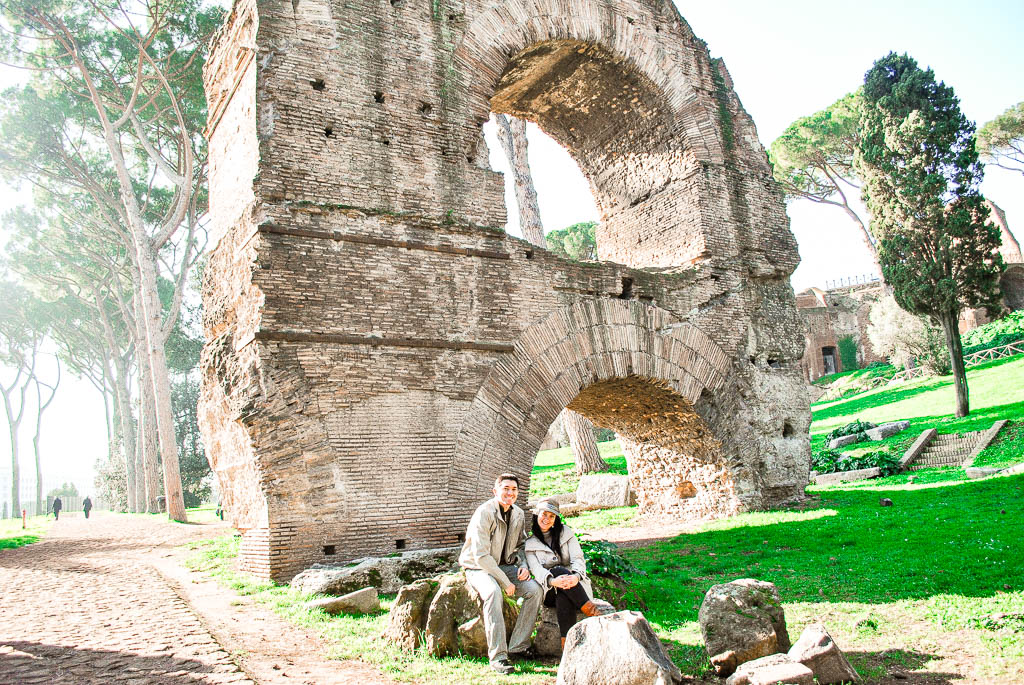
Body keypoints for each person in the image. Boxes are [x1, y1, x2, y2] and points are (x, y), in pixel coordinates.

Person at [459, 473, 543, 675]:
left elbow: (521, 545)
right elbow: (480, 556)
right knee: (493, 592)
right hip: (478, 567)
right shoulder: (484, 513)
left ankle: (518, 646)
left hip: (504, 565)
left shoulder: (518, 514)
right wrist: (505, 582)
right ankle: (498, 657)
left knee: (535, 590)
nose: (510, 493)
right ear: (495, 491)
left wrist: (524, 565)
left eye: (514, 490)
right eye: (506, 489)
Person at [525, 499, 611, 651]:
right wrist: (553, 581)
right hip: (548, 588)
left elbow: (578, 558)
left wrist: (576, 577)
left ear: (556, 519)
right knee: (558, 571)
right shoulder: (530, 543)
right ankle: (592, 612)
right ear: (537, 515)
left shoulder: (566, 533)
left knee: (563, 597)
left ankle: (568, 647)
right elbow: (536, 569)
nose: (547, 519)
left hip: (573, 584)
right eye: (544, 514)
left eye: (551, 516)